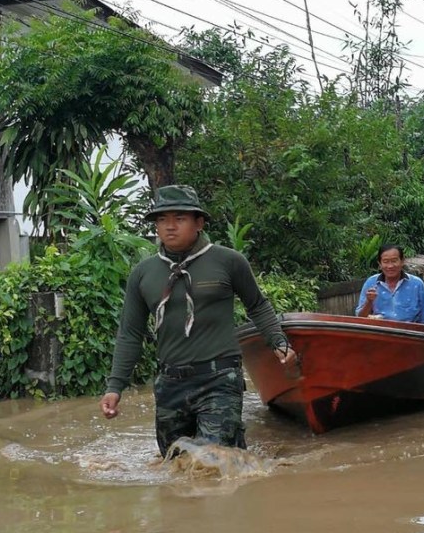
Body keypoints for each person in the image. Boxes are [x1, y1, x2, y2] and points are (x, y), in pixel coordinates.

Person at [98, 185, 297, 457]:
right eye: (162, 220)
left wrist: (278, 342)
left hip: (220, 379)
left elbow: (257, 305)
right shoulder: (143, 274)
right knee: (175, 464)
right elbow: (130, 333)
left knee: (214, 462)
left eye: (179, 219)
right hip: (170, 384)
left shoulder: (228, 261)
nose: (169, 227)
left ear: (199, 222)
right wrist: (115, 387)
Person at [355, 244, 424, 324]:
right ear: (380, 264)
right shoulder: (371, 283)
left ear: (402, 261)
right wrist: (369, 302)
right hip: (379, 333)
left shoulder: (417, 284)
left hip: (409, 333)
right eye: (385, 262)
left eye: (394, 261)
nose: (390, 266)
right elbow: (360, 319)